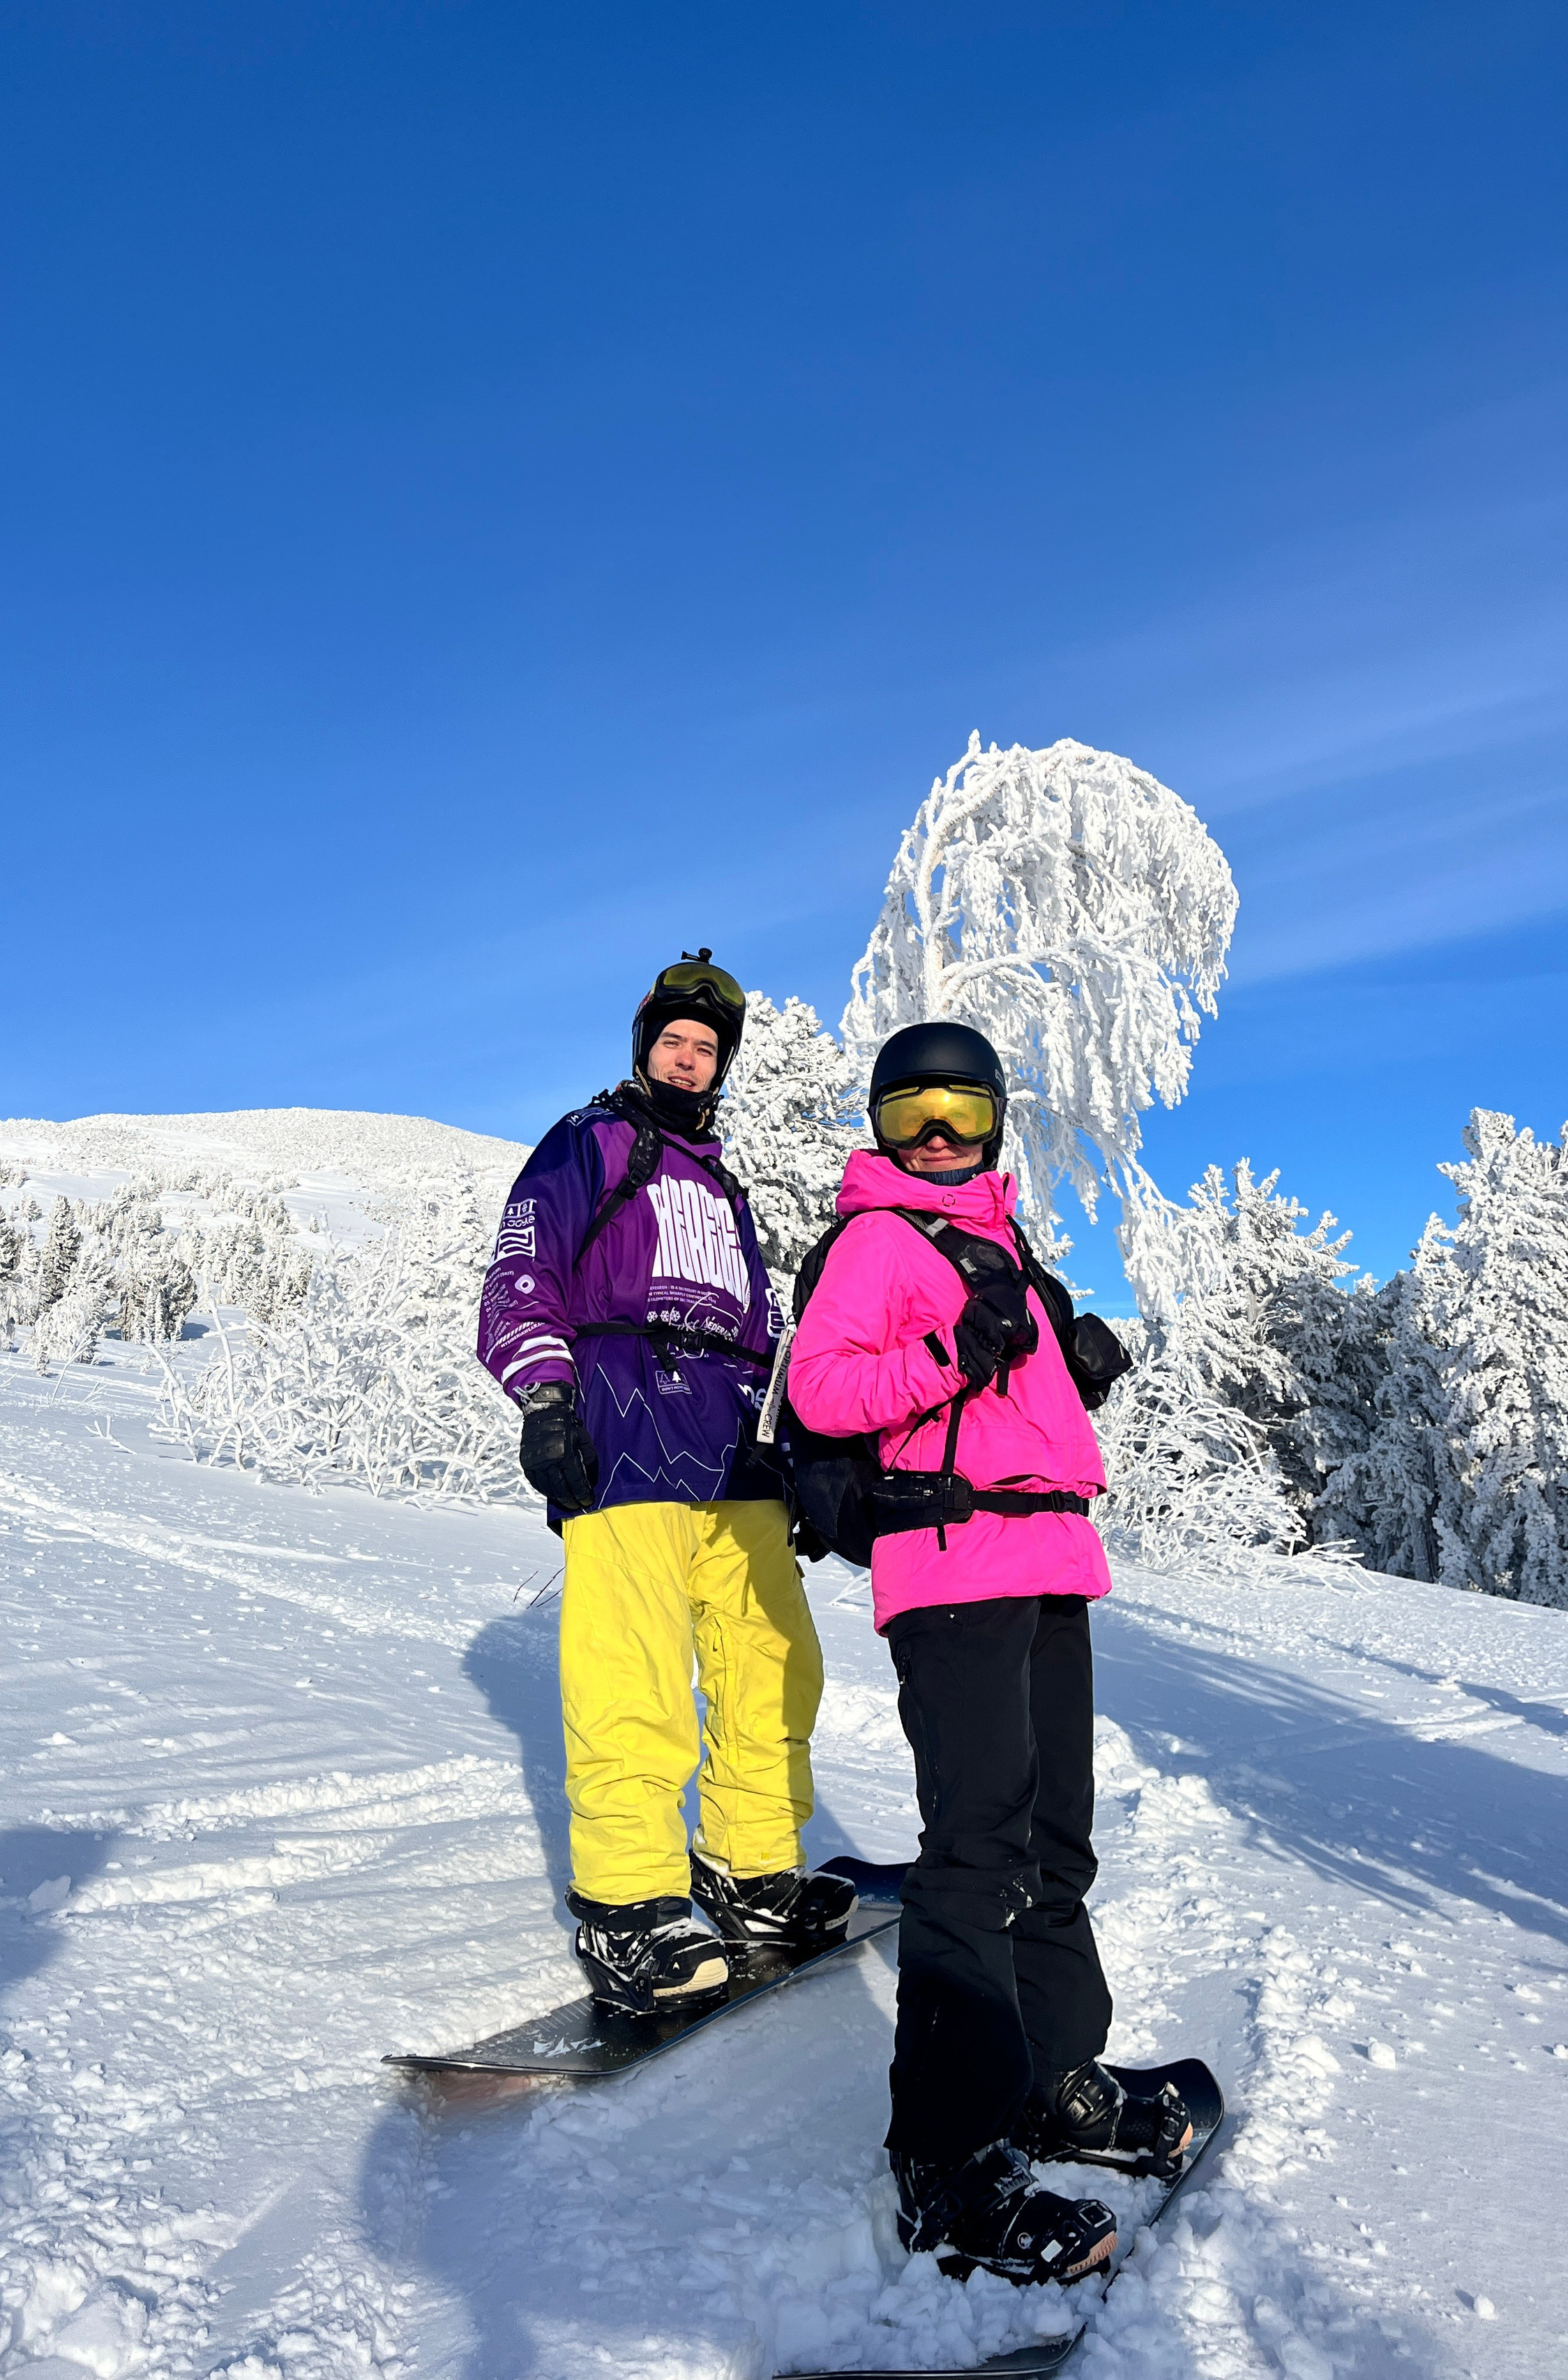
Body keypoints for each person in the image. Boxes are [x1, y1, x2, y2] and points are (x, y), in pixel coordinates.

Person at [785, 1020, 1191, 2287]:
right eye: (910, 1112)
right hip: (954, 1560)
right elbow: (822, 1389)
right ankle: (947, 2159)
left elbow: (1011, 1407)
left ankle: (1053, 2076)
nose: (936, 1134)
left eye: (958, 1109)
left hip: (1049, 1560)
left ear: (995, 1120)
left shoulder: (1003, 1242)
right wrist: (953, 1349)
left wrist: (1074, 1367)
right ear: (879, 1127)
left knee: (1055, 1834)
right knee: (977, 1850)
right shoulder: (877, 1239)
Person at [478, 950, 854, 2014]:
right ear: (645, 1047)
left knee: (773, 1658)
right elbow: (521, 1272)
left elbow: (761, 1331)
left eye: (706, 1049)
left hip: (733, 1445)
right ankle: (629, 1901)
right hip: (624, 1427)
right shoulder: (588, 1142)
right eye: (674, 1043)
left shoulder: (725, 1185)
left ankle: (751, 1867)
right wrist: (547, 1398)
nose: (688, 1061)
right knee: (633, 1675)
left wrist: (793, 1451)